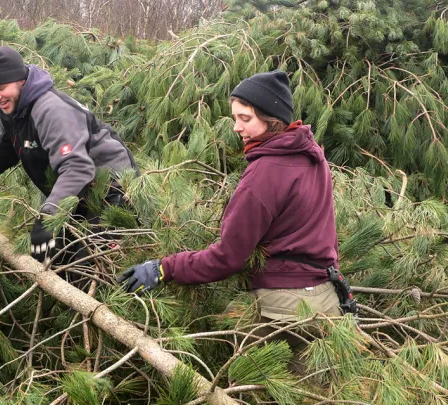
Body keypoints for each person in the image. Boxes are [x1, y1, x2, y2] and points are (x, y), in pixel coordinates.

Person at [116, 71, 344, 374]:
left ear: (272, 118)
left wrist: (164, 268)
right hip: (327, 301)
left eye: (245, 118)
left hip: (280, 312)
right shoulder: (313, 157)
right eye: (235, 118)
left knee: (253, 387)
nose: (237, 127)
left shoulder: (265, 173)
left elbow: (228, 257)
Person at [0, 46, 137, 265]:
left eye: (1, 87)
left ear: (21, 81)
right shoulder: (13, 112)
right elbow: (1, 155)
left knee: (86, 267)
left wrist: (48, 216)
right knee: (51, 259)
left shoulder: (50, 109)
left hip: (111, 193)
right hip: (78, 193)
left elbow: (77, 167)